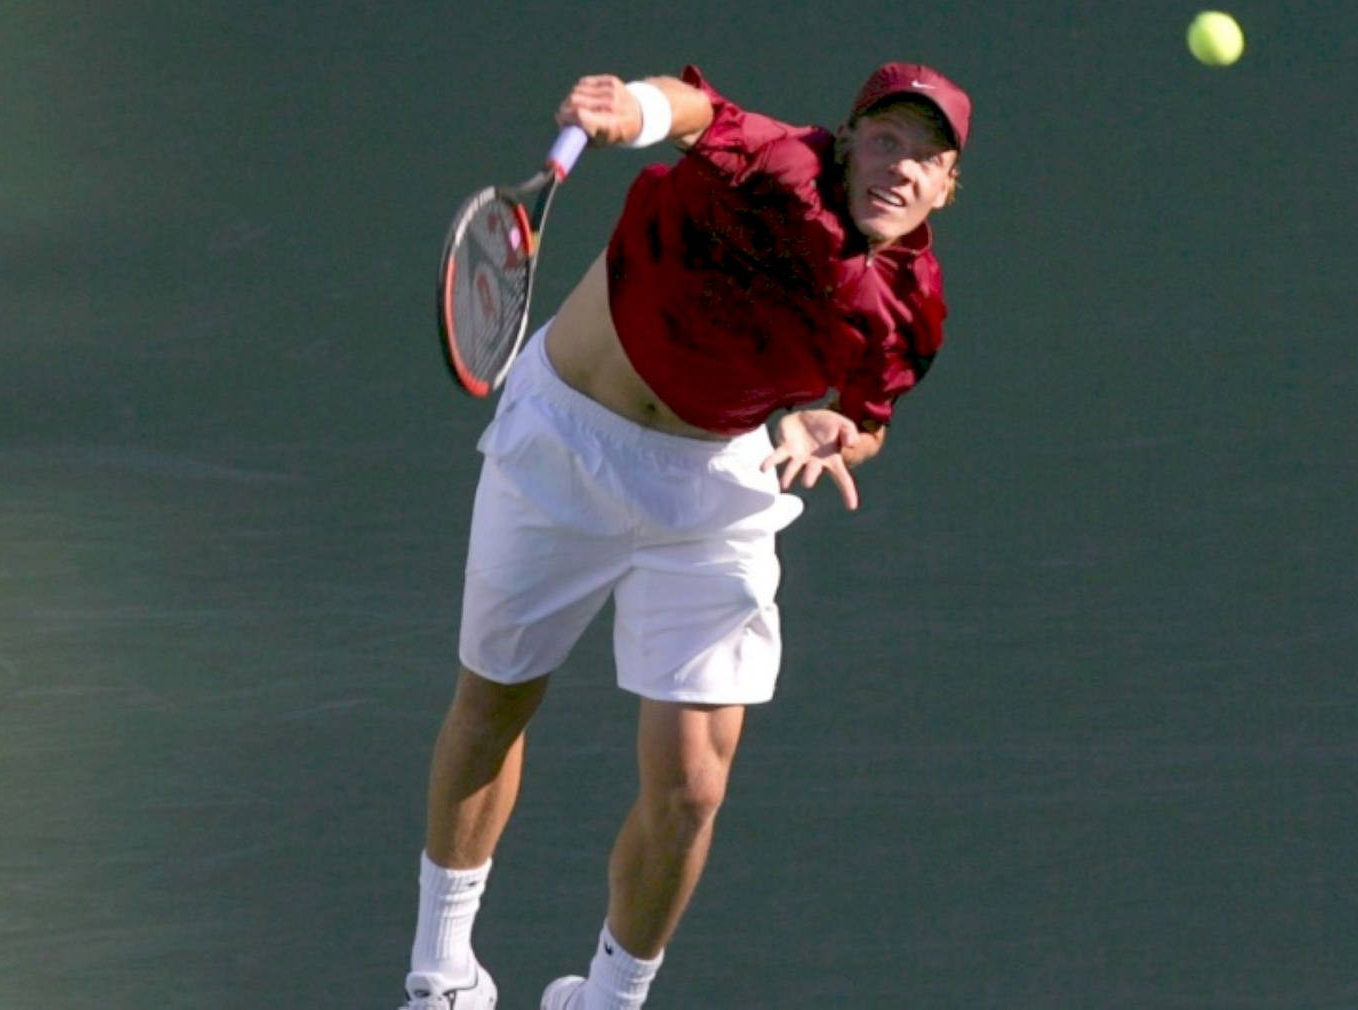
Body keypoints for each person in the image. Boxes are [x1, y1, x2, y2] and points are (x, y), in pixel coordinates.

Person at [399, 61, 971, 1010]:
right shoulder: (776, 161)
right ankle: (440, 975)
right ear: (846, 139)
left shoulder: (909, 308)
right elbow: (698, 111)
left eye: (927, 158)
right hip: (566, 446)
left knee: (694, 790)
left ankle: (611, 999)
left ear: (949, 187)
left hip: (711, 492)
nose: (900, 169)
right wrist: (635, 107)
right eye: (885, 140)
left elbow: (868, 416)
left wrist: (835, 430)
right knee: (493, 706)